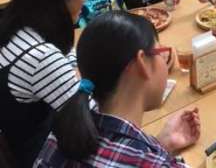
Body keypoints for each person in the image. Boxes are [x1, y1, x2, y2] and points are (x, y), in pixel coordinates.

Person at [34, 10, 200, 167]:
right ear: (142, 63)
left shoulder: (61, 136)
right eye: (160, 51)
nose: (165, 59)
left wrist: (160, 145)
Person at [0, 0, 88, 167]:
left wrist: (75, 69)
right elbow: (90, 117)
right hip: (43, 154)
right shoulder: (41, 57)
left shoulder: (19, 27)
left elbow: (66, 53)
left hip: (17, 140)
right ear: (58, 1)